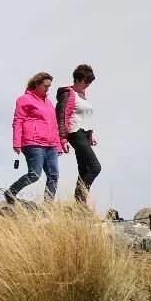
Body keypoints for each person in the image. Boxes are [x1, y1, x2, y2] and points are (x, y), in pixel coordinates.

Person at [4, 71, 66, 203]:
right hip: (33, 143)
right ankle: (11, 192)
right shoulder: (24, 100)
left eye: (49, 86)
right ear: (37, 84)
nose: (47, 89)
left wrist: (58, 145)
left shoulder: (49, 103)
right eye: (45, 86)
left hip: (51, 145)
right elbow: (18, 121)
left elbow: (54, 125)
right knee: (35, 175)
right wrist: (16, 142)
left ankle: (48, 206)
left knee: (53, 175)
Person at [56, 64, 100, 205]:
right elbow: (60, 117)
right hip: (76, 134)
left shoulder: (82, 95)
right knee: (95, 167)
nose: (88, 84)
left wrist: (90, 135)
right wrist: (63, 139)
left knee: (84, 169)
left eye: (90, 82)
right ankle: (79, 199)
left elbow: (84, 117)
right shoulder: (68, 94)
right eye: (86, 81)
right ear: (78, 79)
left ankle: (80, 205)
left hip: (85, 135)